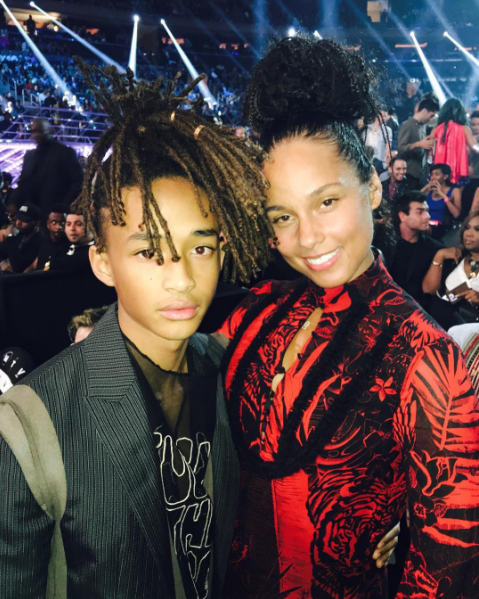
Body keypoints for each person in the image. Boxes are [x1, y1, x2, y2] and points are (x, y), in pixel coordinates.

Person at [217, 37, 479, 599]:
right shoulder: (257, 311)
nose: (307, 237)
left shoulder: (428, 358)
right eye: (282, 216)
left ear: (373, 188)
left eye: (327, 202)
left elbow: (447, 570)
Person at [0, 62, 273, 599]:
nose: (182, 278)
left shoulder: (234, 372)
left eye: (200, 247)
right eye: (150, 252)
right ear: (102, 262)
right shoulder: (30, 425)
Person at [13, 118, 83, 212]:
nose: (36, 135)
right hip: (32, 211)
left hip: (54, 211)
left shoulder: (65, 153)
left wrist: (63, 206)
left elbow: (78, 181)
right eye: (33, 131)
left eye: (39, 131)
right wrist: (14, 203)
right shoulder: (29, 156)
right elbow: (23, 182)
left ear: (50, 131)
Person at [388, 190, 444, 308]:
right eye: (420, 212)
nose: (427, 216)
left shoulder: (434, 248)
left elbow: (431, 294)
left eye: (427, 211)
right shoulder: (385, 241)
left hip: (416, 309)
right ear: (402, 216)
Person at [423, 211, 479, 326]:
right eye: (467, 228)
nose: (469, 234)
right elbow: (429, 292)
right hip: (443, 323)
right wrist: (439, 256)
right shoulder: (456, 258)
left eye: (477, 229)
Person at [430, 98, 479, 186]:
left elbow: (430, 154)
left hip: (439, 173)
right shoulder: (464, 129)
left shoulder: (436, 130)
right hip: (457, 172)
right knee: (455, 193)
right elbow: (475, 147)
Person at [397, 94, 439, 188]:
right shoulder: (407, 125)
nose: (431, 119)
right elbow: (400, 149)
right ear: (424, 111)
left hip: (419, 176)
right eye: (431, 115)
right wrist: (417, 144)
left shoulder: (423, 126)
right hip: (408, 175)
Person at [421, 163, 461, 240]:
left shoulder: (454, 191)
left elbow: (456, 214)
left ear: (445, 176)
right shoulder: (429, 190)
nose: (433, 177)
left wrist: (442, 194)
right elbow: (413, 199)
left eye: (437, 174)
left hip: (441, 226)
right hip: (425, 223)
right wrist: (425, 188)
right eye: (432, 174)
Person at [0, 203, 42, 273]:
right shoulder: (19, 235)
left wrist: (10, 236)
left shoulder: (39, 241)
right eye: (18, 218)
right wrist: (2, 262)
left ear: (36, 223)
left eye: (24, 220)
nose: (18, 223)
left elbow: (18, 266)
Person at [27, 204, 68, 271]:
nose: (58, 227)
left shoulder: (70, 248)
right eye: (54, 222)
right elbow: (32, 266)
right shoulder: (45, 245)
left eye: (63, 223)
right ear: (48, 224)